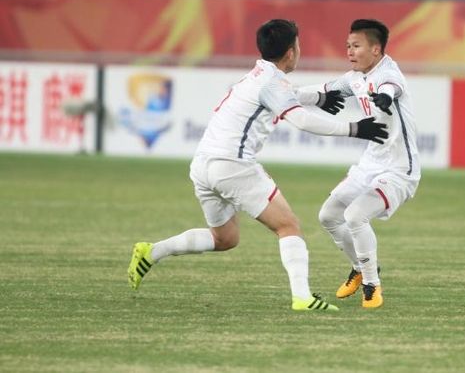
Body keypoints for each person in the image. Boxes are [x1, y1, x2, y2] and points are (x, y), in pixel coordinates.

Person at [127, 19, 388, 311]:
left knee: (224, 238)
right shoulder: (272, 83)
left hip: (202, 166)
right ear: (291, 52)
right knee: (288, 226)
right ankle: (302, 297)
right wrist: (355, 128)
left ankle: (151, 252)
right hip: (232, 165)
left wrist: (320, 98)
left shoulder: (259, 75)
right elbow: (301, 119)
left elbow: (286, 94)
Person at [315, 19, 421, 309]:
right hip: (369, 164)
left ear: (375, 49)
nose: (350, 51)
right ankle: (360, 268)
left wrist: (384, 98)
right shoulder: (355, 78)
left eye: (356, 46)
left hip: (399, 170)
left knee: (355, 216)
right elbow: (324, 89)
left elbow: (390, 88)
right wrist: (285, 96)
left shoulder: (389, 73)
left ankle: (372, 285)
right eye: (348, 46)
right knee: (328, 215)